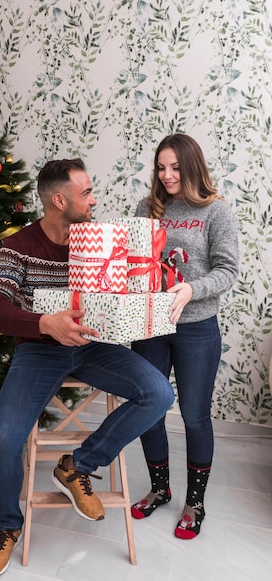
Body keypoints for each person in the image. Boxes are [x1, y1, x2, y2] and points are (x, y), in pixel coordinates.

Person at [0, 158, 174, 576]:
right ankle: (7, 526)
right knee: (4, 441)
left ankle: (77, 466)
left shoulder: (101, 238)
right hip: (40, 349)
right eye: (86, 193)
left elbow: (125, 290)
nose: (94, 200)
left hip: (92, 346)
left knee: (158, 393)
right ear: (58, 199)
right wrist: (44, 323)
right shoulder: (20, 246)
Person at [130, 134, 239, 539]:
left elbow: (228, 270)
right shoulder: (147, 208)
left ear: (192, 166)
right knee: (149, 408)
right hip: (150, 326)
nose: (167, 175)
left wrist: (192, 289)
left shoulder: (216, 212)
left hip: (196, 327)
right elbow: (133, 261)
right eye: (161, 167)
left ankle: (194, 503)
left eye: (175, 167)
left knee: (194, 416)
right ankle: (159, 490)